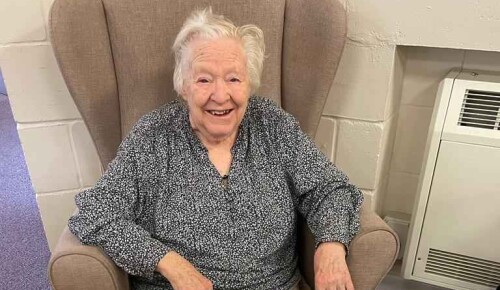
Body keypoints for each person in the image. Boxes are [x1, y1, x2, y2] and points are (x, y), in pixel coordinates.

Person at [69, 8, 363, 290]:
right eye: (204, 80)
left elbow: (329, 189)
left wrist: (331, 244)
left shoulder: (273, 125)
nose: (220, 95)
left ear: (249, 84)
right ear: (184, 85)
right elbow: (95, 213)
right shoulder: (153, 136)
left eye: (234, 79)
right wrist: (167, 262)